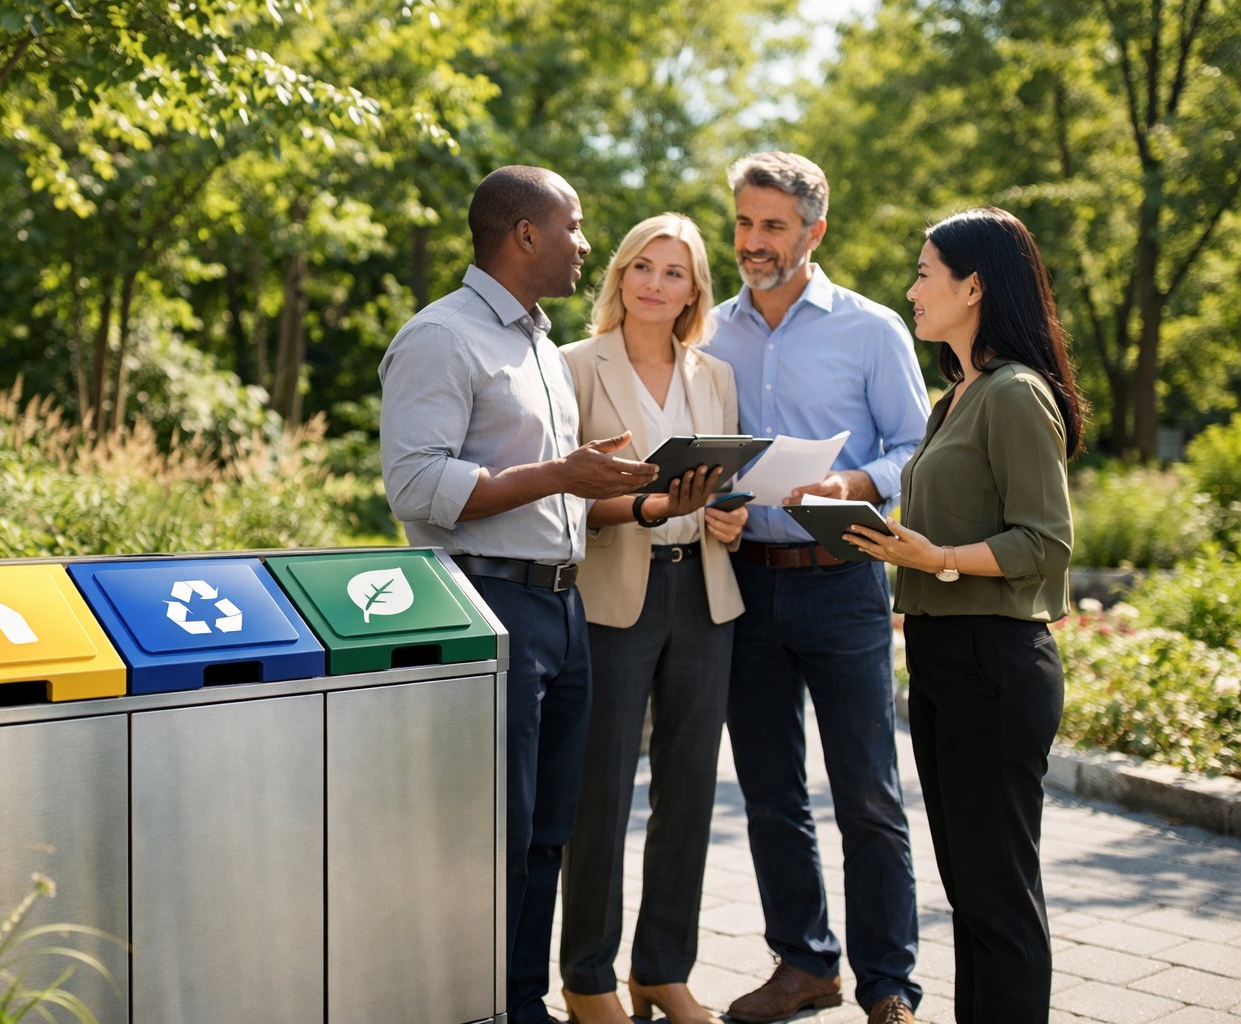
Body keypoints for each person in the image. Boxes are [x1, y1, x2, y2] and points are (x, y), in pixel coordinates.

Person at [378, 165, 659, 1024]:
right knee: (495, 832)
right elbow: (416, 484)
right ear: (525, 234)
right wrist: (558, 473)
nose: (586, 244)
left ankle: (518, 1002)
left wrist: (634, 491)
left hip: (563, 610)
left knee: (545, 831)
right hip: (487, 605)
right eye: (573, 226)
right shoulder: (442, 336)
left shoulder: (537, 341)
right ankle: (472, 1004)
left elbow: (552, 487)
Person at [702, 151, 929, 1024]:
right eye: (744, 222)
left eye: (773, 226)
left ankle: (888, 984)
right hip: (746, 586)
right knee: (769, 792)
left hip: (842, 586)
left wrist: (851, 485)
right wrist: (712, 510)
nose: (753, 242)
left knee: (868, 791)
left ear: (814, 232)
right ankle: (804, 964)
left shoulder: (872, 330)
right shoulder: (709, 332)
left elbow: (916, 451)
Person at [844, 207, 1081, 1024]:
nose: (911, 290)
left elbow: (1044, 542)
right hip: (949, 657)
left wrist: (932, 557)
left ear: (972, 285)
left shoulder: (1014, 393)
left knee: (1000, 900)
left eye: (923, 273)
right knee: (974, 897)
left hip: (995, 660)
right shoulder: (958, 398)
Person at [556, 213, 749, 1024]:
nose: (654, 284)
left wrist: (727, 519)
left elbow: (726, 481)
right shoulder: (570, 367)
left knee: (688, 791)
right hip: (612, 596)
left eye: (673, 273)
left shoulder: (716, 376)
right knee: (598, 793)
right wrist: (641, 503)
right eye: (642, 266)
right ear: (620, 277)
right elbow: (562, 494)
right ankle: (587, 979)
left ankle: (662, 973)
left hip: (702, 594)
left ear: (693, 291)